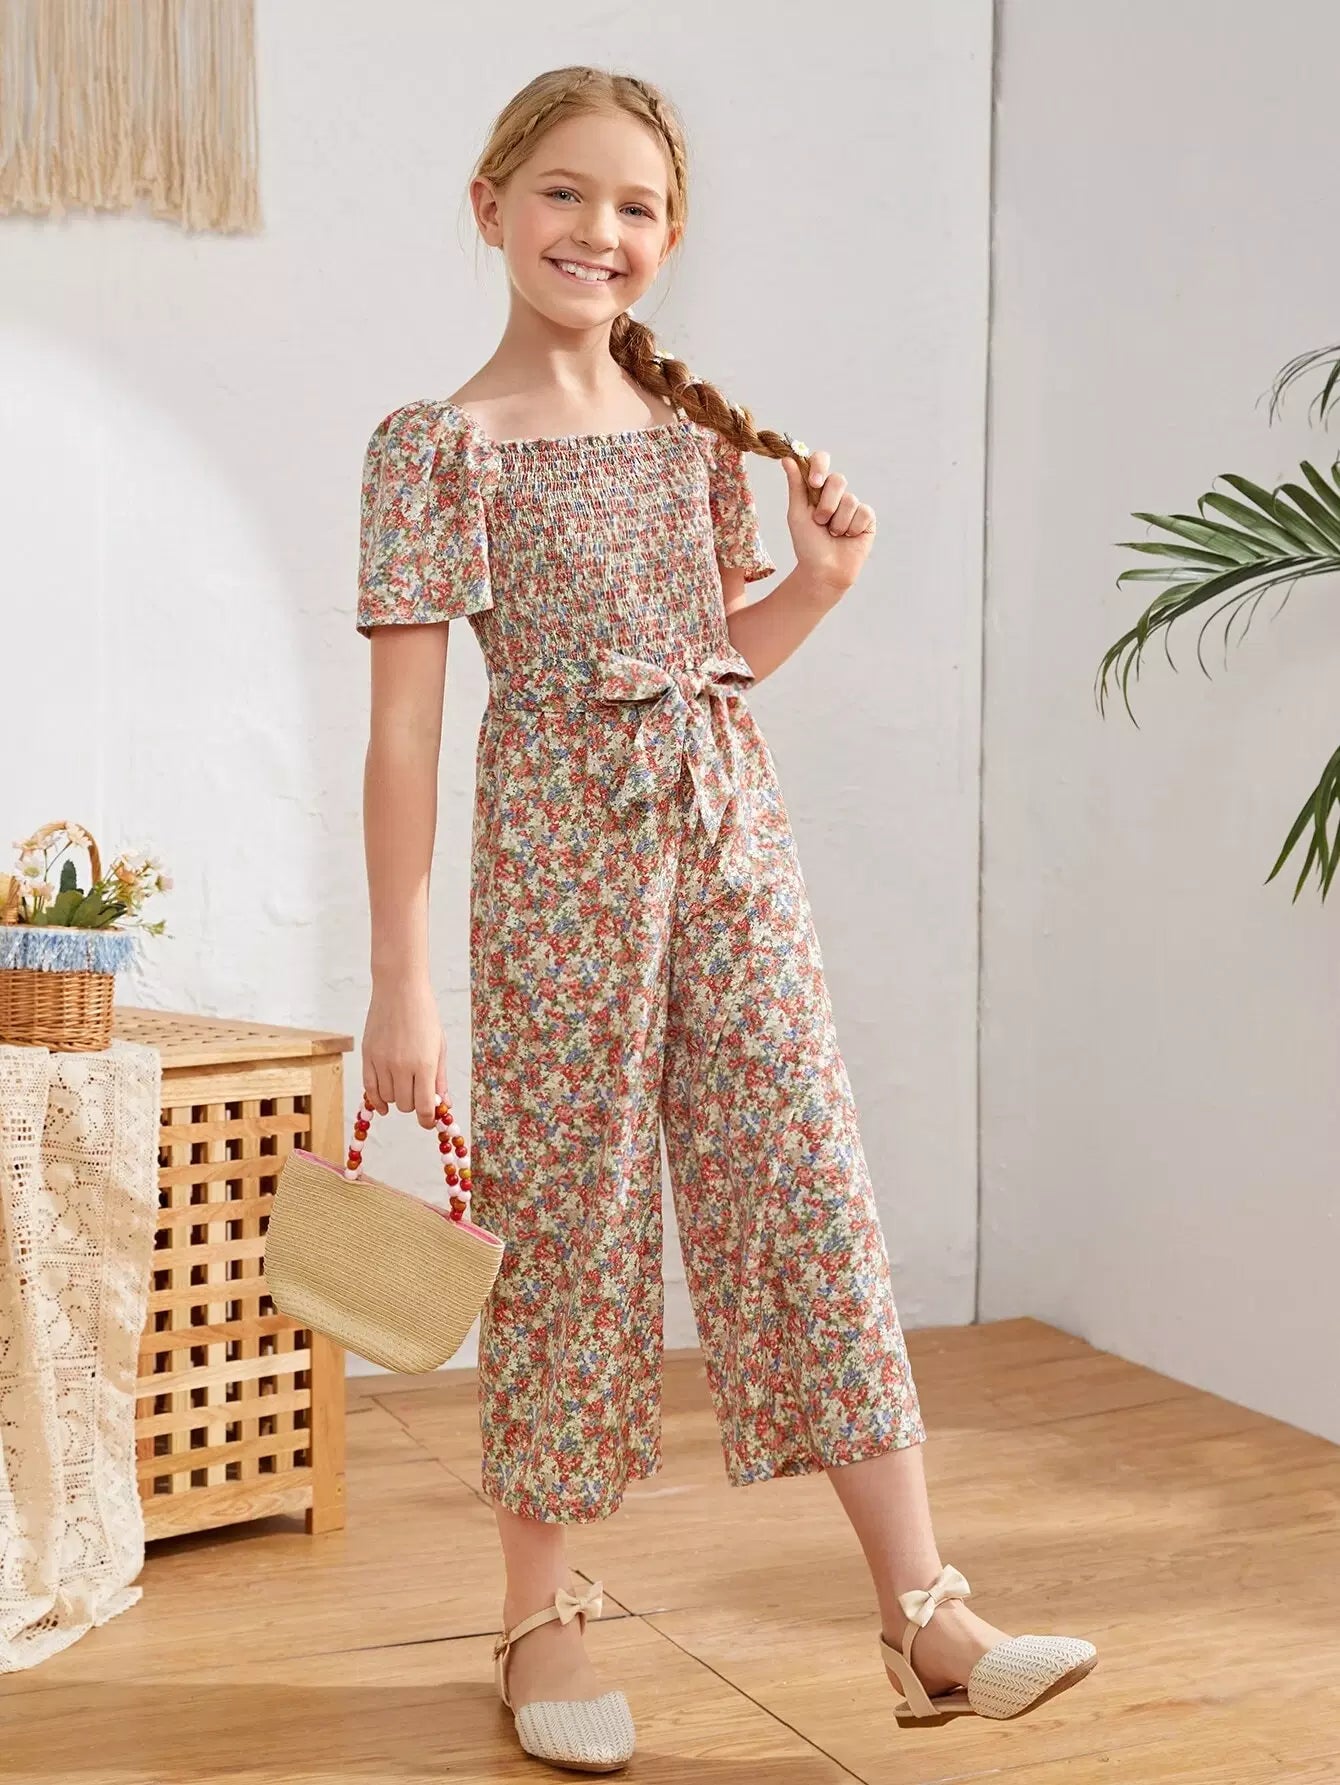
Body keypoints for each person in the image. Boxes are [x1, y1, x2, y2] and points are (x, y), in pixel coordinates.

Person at [356, 64, 1097, 1776]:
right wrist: (402, 980)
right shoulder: (436, 448)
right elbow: (404, 736)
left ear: (671, 238)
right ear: (490, 206)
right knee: (566, 1228)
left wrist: (818, 586)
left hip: (734, 856)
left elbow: (709, 669)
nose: (596, 230)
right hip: (556, 879)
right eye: (563, 191)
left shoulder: (697, 443)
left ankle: (925, 1611)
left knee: (810, 1186)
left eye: (636, 206)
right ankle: (537, 1620)